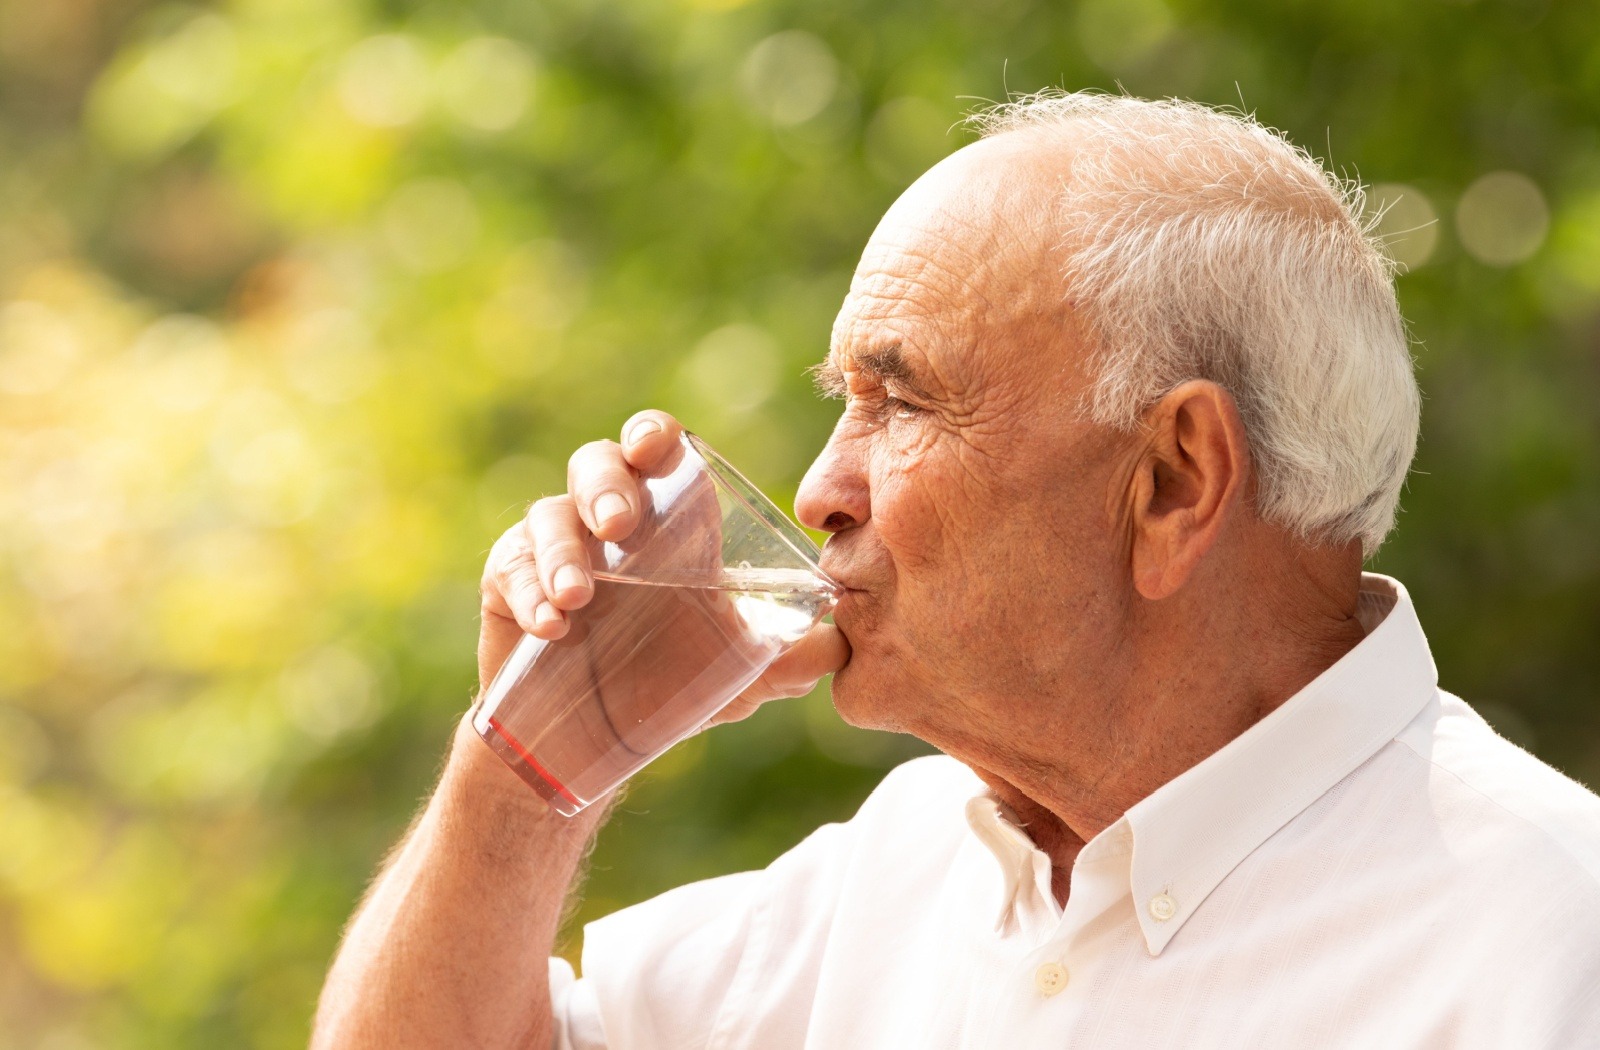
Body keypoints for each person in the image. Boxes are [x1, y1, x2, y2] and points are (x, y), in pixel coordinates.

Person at [311, 93, 1600, 1048]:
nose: (820, 489)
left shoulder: (1548, 945)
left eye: (900, 402)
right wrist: (527, 769)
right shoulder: (900, 868)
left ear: (1172, 482)